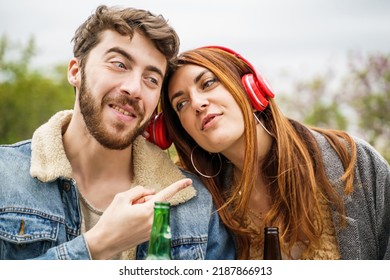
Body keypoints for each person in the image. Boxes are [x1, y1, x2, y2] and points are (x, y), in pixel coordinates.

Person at [0, 6, 235, 260]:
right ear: (76, 72)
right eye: (119, 64)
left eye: (151, 79)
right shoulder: (5, 177)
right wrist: (97, 246)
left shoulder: (198, 206)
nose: (134, 89)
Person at [158, 46, 390, 259]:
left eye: (208, 83)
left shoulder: (352, 161)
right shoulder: (202, 204)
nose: (197, 103)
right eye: (181, 104)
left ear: (251, 86)